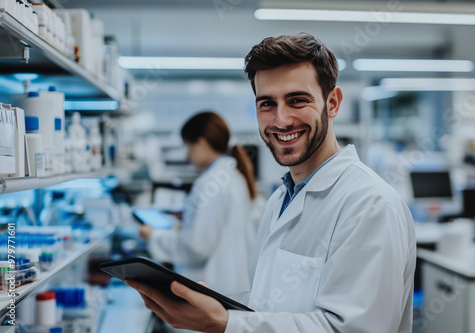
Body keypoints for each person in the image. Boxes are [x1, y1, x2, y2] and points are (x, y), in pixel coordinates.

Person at [127, 33, 416, 333]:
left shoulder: (369, 205)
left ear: (332, 103)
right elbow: (268, 304)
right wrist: (214, 305)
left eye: (297, 100)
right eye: (267, 103)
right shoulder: (280, 200)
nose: (281, 120)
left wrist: (227, 323)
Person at [140, 111, 257, 297]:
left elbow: (196, 246)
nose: (187, 156)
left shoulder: (210, 182)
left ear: (201, 143)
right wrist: (187, 226)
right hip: (233, 283)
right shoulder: (232, 175)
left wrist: (154, 236)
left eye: (188, 147)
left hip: (213, 287)